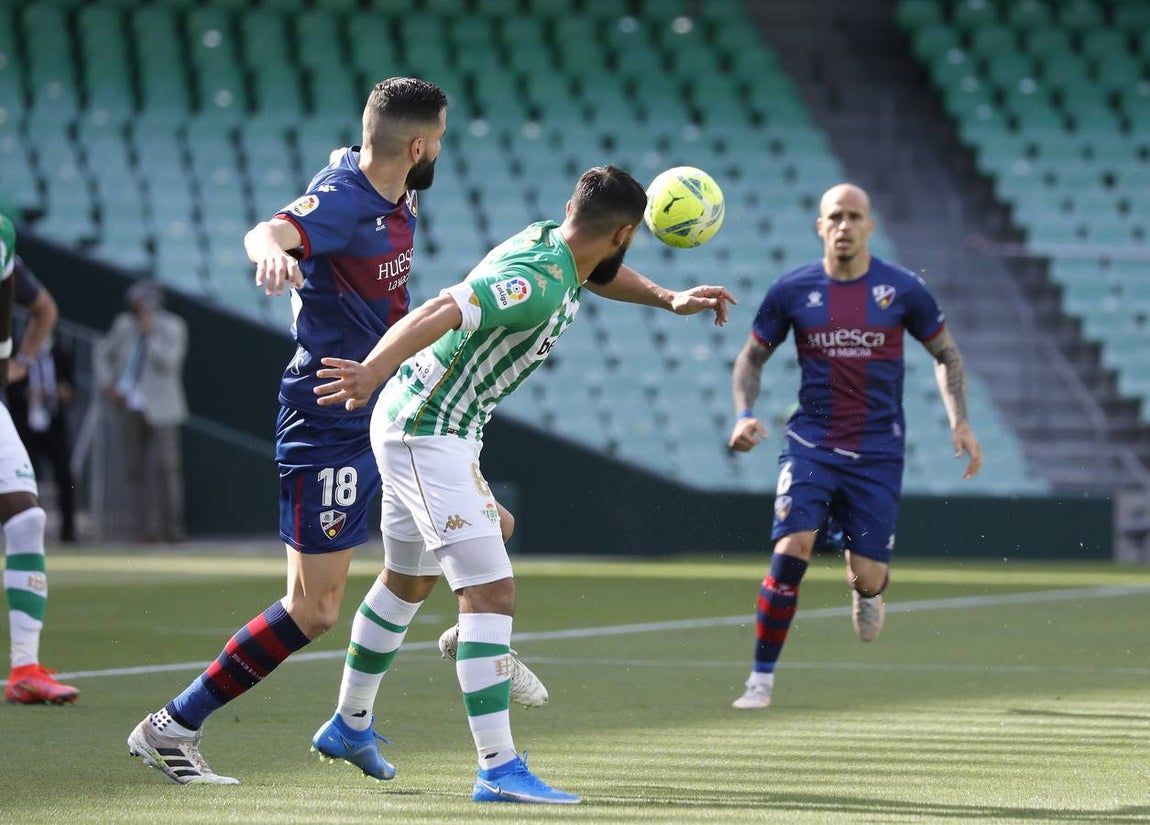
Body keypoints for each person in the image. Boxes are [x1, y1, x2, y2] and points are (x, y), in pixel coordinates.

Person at [125, 77, 548, 789]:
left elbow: (356, 162)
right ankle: (173, 724)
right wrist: (272, 251)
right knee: (314, 606)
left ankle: (452, 651)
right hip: (327, 414)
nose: (440, 151)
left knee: (490, 524)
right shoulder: (347, 199)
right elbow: (276, 227)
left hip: (384, 411)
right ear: (416, 145)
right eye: (437, 140)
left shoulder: (394, 188)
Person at [308, 165, 733, 804]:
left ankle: (349, 723)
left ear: (572, 208)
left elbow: (605, 275)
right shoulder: (535, 282)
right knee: (491, 593)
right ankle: (498, 768)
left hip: (428, 423)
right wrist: (368, 371)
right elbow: (442, 308)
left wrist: (670, 299)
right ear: (625, 232)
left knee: (414, 578)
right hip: (426, 430)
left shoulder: (554, 243)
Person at [727, 183, 982, 710]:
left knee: (866, 577)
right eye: (835, 217)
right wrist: (745, 415)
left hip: (877, 454)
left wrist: (960, 421)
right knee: (792, 547)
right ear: (821, 226)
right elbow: (751, 359)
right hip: (811, 444)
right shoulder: (792, 290)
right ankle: (760, 680)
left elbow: (947, 356)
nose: (844, 225)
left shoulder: (902, 290)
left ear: (870, 226)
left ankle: (868, 592)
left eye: (854, 216)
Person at [0, 214, 78, 704]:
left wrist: (21, 363)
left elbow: (43, 308)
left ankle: (24, 668)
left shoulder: (3, 234)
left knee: (27, 518)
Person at [96, 280, 188, 543]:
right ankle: (144, 529)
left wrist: (151, 335)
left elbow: (171, 363)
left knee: (167, 469)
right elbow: (103, 353)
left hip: (163, 408)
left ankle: (172, 529)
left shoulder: (173, 326)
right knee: (134, 469)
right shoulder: (123, 325)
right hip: (129, 404)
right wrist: (108, 384)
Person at [9, 334, 78, 544]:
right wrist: (27, 393)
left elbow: (70, 388)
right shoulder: (18, 353)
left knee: (65, 478)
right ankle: (16, 533)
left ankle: (68, 534)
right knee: (18, 479)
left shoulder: (61, 352)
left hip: (53, 425)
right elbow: (10, 388)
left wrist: (63, 393)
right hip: (26, 427)